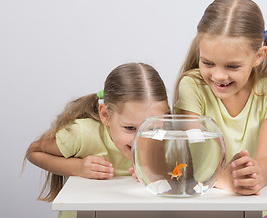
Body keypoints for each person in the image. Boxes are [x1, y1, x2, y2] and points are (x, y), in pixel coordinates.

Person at [173, 0, 267, 203]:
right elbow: (199, 158)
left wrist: (255, 176)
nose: (218, 76)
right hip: (202, 201)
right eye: (207, 63)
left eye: (232, 66)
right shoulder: (192, 85)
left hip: (248, 203)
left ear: (258, 56)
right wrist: (222, 180)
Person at [26, 63, 170, 218]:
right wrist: (78, 167)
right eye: (130, 128)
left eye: (151, 128)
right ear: (106, 116)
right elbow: (33, 152)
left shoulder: (167, 135)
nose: (139, 139)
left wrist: (156, 169)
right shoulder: (83, 133)